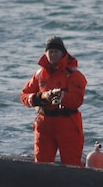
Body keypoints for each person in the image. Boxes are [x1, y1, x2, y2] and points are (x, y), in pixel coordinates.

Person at [20, 36, 87, 166]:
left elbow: (77, 100)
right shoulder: (39, 74)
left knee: (71, 162)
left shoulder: (73, 74)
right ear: (45, 53)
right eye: (50, 51)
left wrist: (61, 96)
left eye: (56, 51)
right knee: (41, 162)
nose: (53, 54)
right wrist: (38, 98)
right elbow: (24, 95)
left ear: (63, 53)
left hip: (67, 123)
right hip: (44, 123)